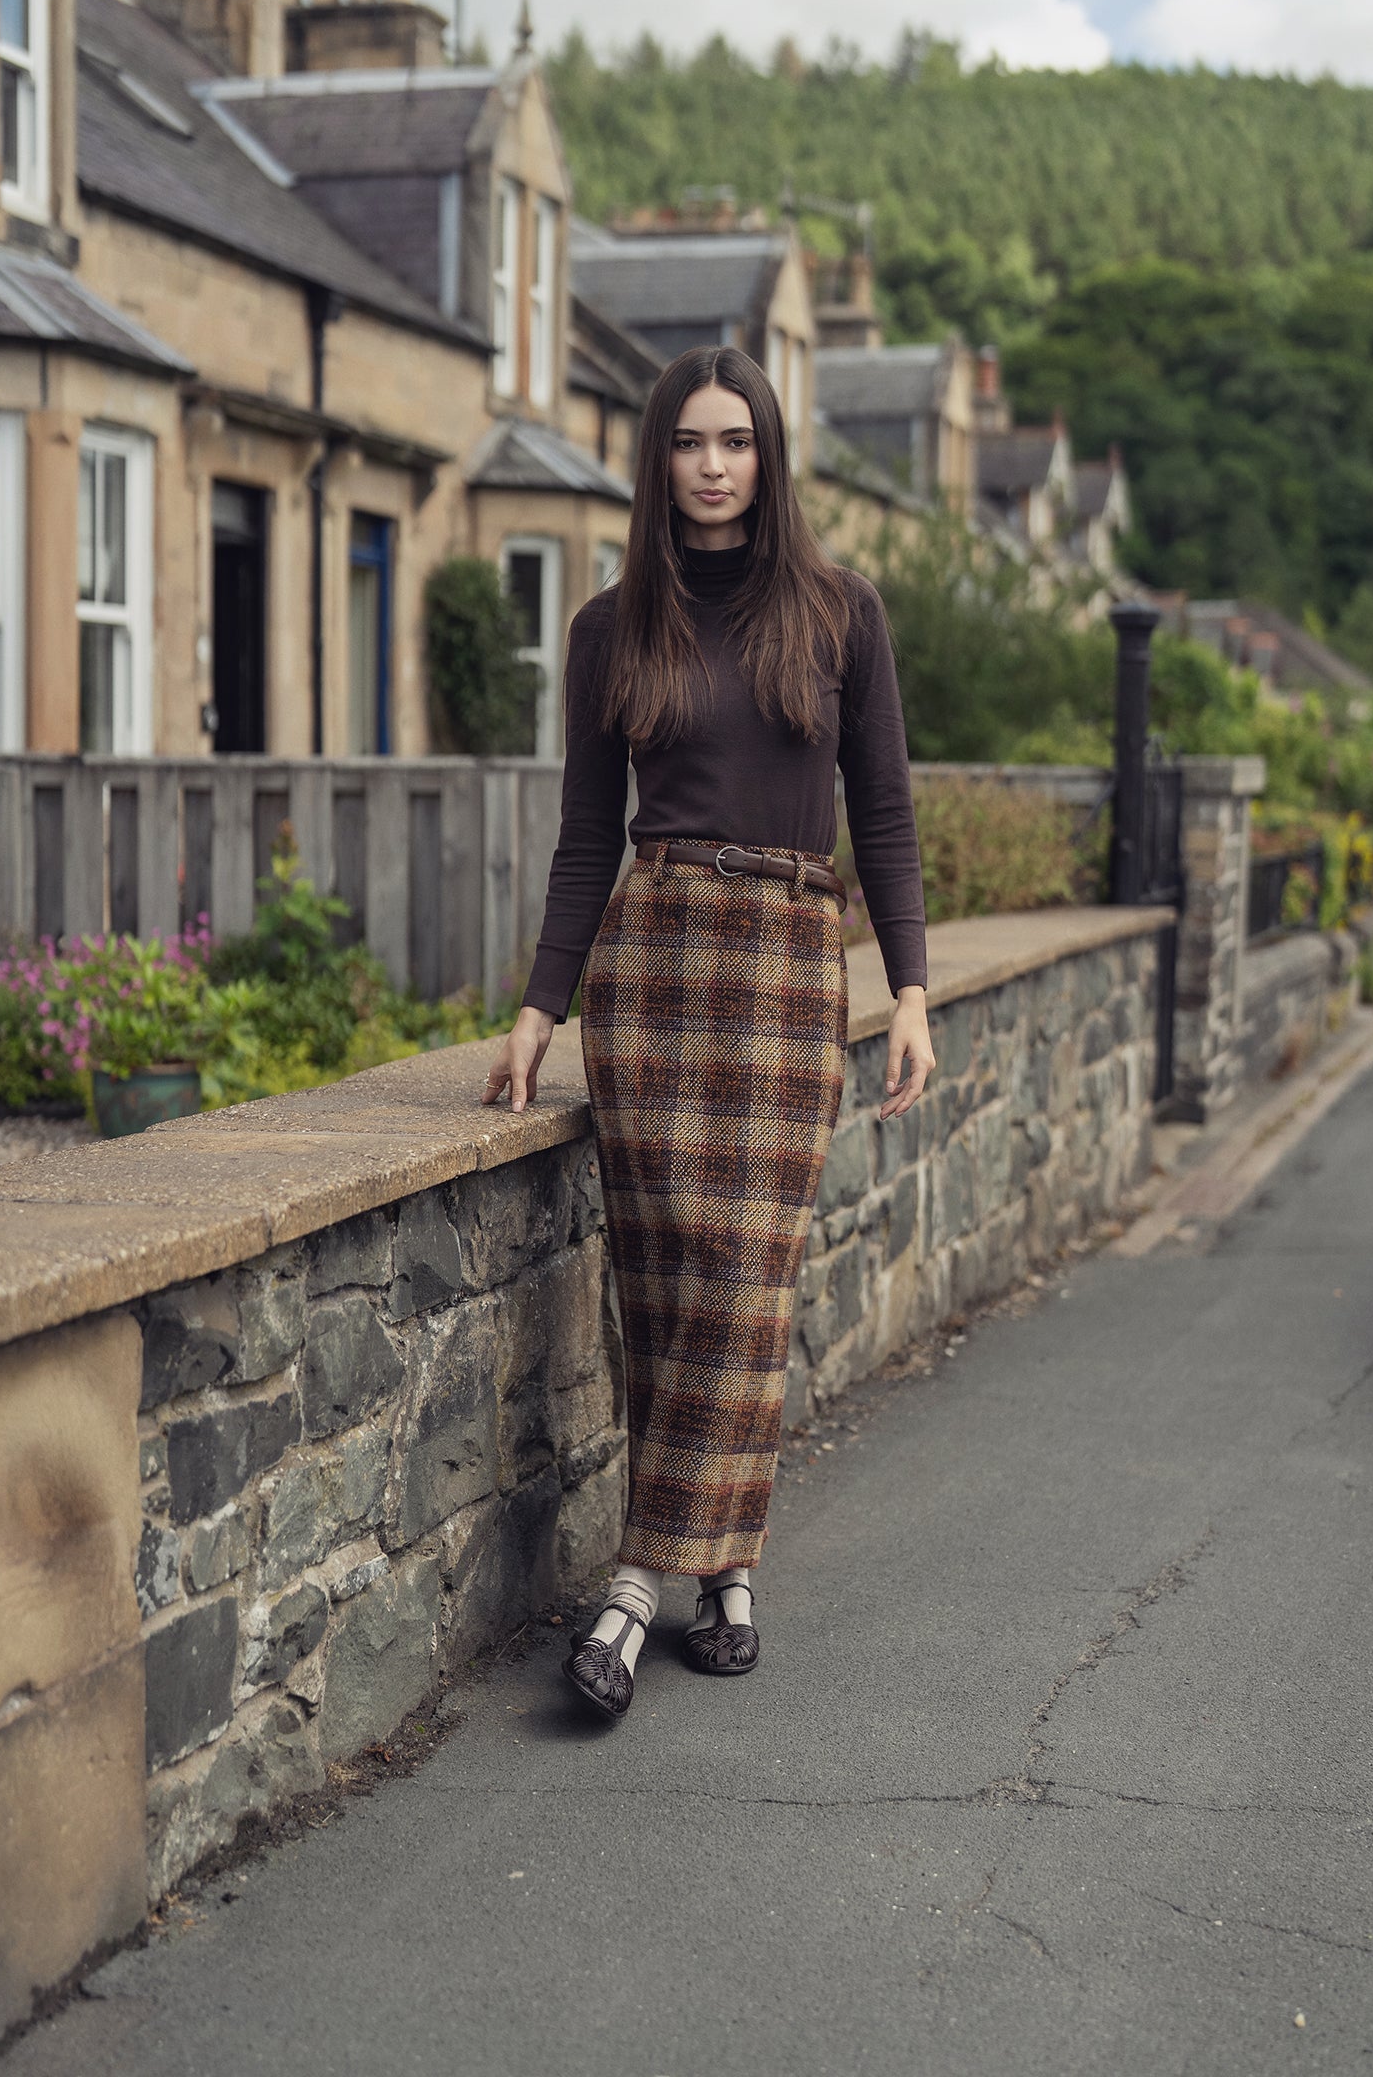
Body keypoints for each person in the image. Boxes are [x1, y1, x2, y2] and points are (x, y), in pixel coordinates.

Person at [482, 343, 932, 1720]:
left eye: (737, 440)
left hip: (792, 969)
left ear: (770, 453)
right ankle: (724, 1576)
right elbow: (579, 843)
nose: (716, 464)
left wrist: (908, 991)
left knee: (748, 1279)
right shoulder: (610, 630)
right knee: (667, 1285)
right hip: (657, 967)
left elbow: (889, 818)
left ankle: (632, 1589)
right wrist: (538, 1006)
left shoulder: (842, 615)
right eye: (690, 443)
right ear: (658, 461)